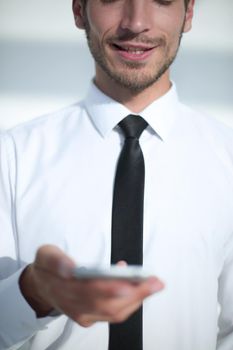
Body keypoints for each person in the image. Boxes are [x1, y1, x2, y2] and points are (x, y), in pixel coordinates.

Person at [0, 0, 233, 349]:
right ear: (80, 11)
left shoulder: (228, 159)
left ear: (188, 14)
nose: (136, 22)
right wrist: (31, 292)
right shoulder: (12, 156)